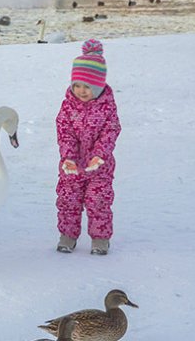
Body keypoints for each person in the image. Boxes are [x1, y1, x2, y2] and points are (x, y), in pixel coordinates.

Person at [55, 39, 121, 255]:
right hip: (71, 167)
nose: (82, 91)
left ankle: (100, 238)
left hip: (98, 168)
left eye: (88, 87)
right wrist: (68, 157)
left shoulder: (107, 107)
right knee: (68, 199)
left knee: (98, 201)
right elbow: (64, 132)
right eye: (78, 86)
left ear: (99, 86)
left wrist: (100, 156)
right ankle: (68, 235)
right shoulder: (68, 106)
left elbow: (111, 131)